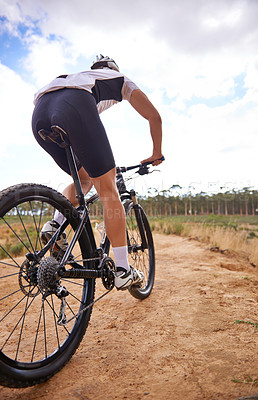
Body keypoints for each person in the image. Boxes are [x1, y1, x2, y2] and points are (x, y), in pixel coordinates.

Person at [32, 54, 163, 290]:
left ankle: (55, 224)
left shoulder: (81, 78)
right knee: (108, 190)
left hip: (40, 113)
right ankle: (123, 270)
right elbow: (154, 116)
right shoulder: (120, 79)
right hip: (74, 105)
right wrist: (156, 153)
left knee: (84, 179)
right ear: (113, 68)